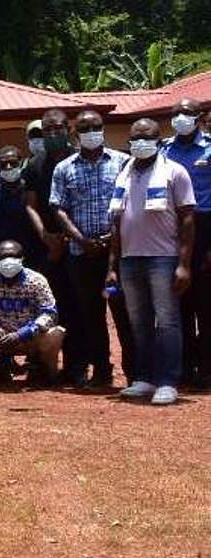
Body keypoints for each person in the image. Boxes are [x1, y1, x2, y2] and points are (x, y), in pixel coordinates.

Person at [108, 119, 195, 406]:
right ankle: (144, 378)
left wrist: (184, 264)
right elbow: (117, 223)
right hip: (129, 259)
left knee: (167, 321)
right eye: (135, 137)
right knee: (139, 322)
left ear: (159, 139)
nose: (139, 141)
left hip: (163, 257)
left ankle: (168, 380)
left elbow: (188, 219)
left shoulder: (174, 172)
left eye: (146, 136)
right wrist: (112, 265)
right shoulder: (125, 172)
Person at [50, 108, 133, 387]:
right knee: (90, 316)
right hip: (81, 253)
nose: (90, 133)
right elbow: (59, 209)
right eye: (84, 129)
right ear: (75, 133)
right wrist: (81, 240)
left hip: (117, 252)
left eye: (95, 127)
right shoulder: (64, 168)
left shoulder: (124, 162)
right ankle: (101, 370)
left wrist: (113, 237)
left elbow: (131, 204)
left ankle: (135, 371)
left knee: (123, 312)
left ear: (103, 128)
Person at [0, 240, 66, 388]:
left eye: (13, 256)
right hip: (0, 337)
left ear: (22, 258)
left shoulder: (36, 280)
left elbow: (50, 313)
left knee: (55, 334)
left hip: (30, 337)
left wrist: (22, 334)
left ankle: (43, 372)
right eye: (3, 257)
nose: (8, 262)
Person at [24, 108, 80, 380]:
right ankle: (43, 365)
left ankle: (77, 365)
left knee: (76, 307)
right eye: (48, 130)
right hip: (45, 246)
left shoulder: (79, 159)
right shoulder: (36, 164)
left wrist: (71, 238)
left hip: (79, 245)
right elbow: (31, 206)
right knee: (45, 306)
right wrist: (46, 236)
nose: (53, 133)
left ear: (69, 129)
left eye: (58, 128)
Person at [161, 98, 211, 386]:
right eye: (176, 113)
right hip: (171, 229)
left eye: (187, 113)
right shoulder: (164, 150)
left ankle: (206, 368)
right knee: (179, 303)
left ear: (199, 117)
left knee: (206, 305)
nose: (181, 117)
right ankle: (184, 366)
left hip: (205, 228)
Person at [0, 146, 38, 265]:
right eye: (4, 164)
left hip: (32, 254)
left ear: (21, 163)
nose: (8, 167)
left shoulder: (31, 192)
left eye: (13, 163)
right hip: (3, 256)